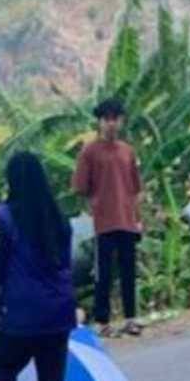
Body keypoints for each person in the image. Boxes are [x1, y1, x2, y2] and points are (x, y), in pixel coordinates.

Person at [0, 152, 76, 381]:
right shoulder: (58, 217)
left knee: (0, 367)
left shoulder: (4, 217)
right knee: (51, 371)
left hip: (21, 308)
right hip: (59, 306)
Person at [72, 98, 143, 338]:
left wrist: (138, 218)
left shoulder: (127, 151)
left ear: (121, 121)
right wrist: (94, 207)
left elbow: (136, 188)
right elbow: (80, 187)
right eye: (106, 119)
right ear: (99, 122)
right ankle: (103, 321)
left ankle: (131, 318)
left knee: (128, 272)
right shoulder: (89, 152)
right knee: (104, 273)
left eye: (116, 118)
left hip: (127, 220)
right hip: (103, 223)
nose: (111, 124)